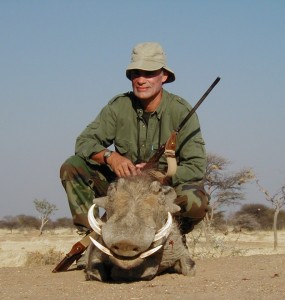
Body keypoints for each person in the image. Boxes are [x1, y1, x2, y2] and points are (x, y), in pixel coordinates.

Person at [60, 42, 209, 235]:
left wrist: (157, 175)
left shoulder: (181, 111)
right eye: (136, 73)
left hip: (161, 189)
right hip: (123, 187)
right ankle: (92, 238)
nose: (141, 80)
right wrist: (111, 157)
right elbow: (83, 143)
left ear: (164, 76)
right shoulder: (118, 106)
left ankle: (172, 237)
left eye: (149, 73)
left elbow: (196, 167)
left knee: (195, 200)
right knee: (72, 166)